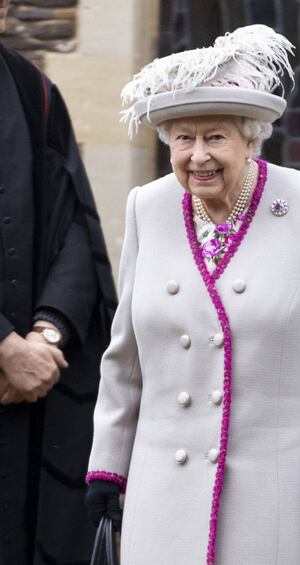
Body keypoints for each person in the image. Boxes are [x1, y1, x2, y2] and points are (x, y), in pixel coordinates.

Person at [85, 24, 300, 565]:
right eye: (183, 138)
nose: (198, 156)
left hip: (272, 495)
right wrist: (108, 466)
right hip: (161, 490)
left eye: (215, 136)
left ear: (250, 137)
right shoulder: (147, 208)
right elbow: (124, 359)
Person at [0, 1, 117, 564]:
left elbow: (76, 225)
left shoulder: (32, 91)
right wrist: (4, 345)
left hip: (25, 398)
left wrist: (47, 337)